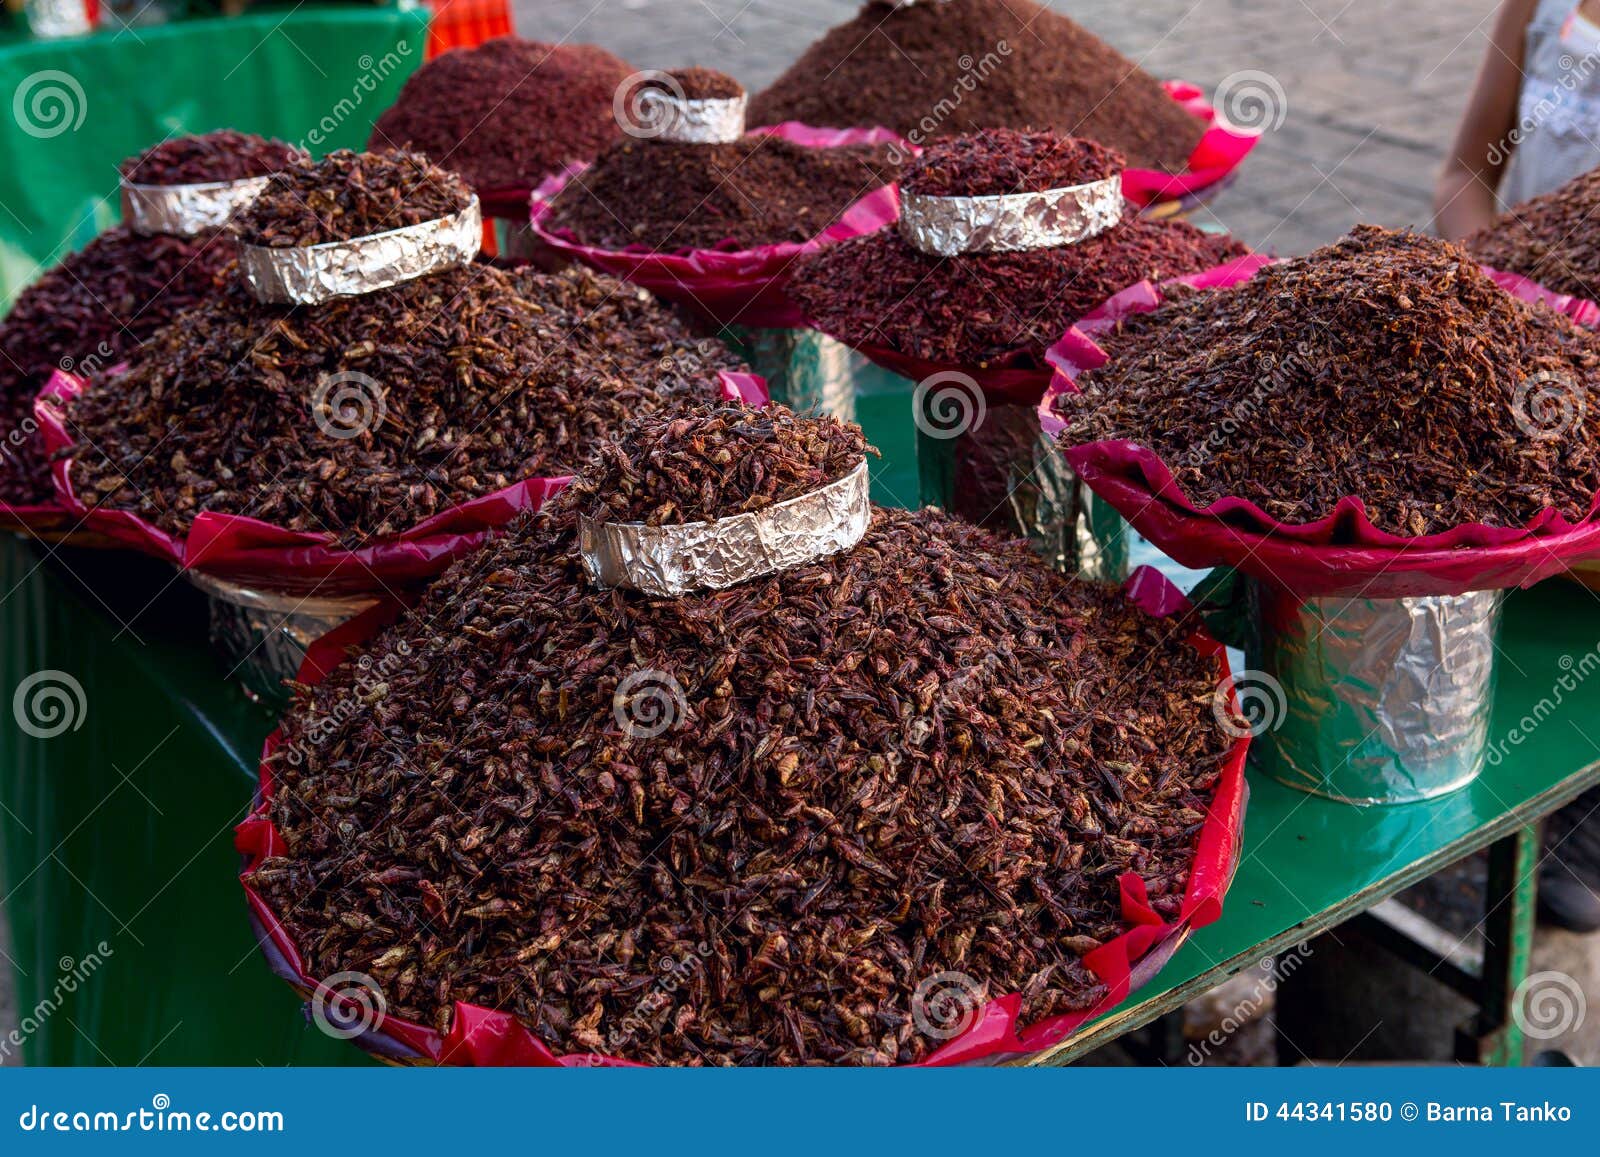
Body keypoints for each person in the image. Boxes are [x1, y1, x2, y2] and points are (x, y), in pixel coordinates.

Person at [1435, 0, 1600, 933]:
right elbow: (1466, 172)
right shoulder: (1541, 6)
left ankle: (1584, 798)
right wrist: (1492, 295)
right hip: (1514, 346)